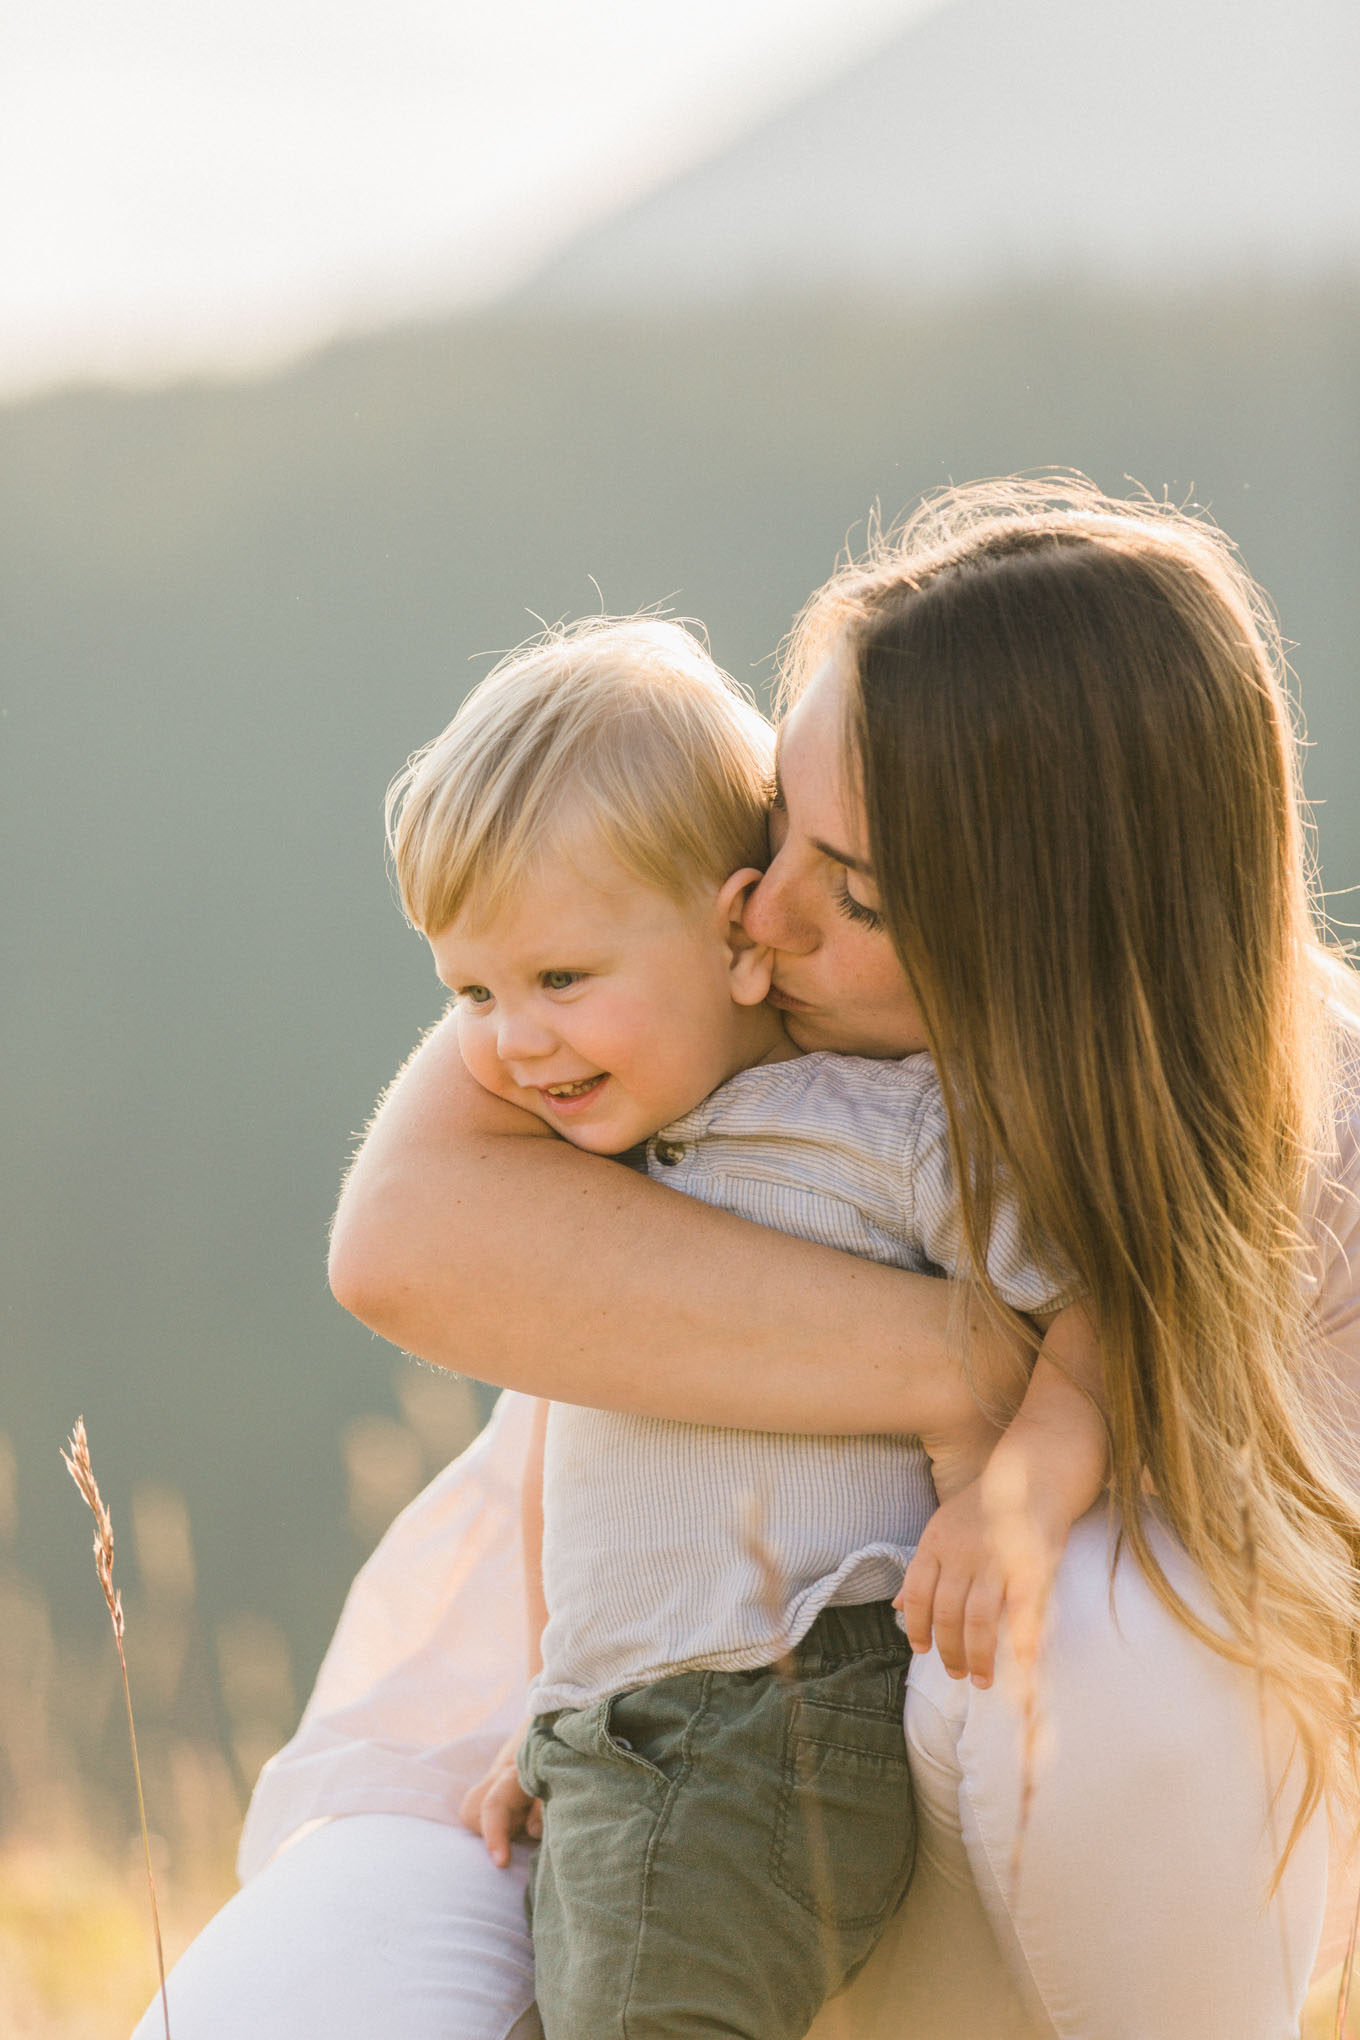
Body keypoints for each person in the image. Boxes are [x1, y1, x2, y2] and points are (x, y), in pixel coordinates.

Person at [135, 477, 1360, 2040]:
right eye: (780, 819)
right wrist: (964, 1361)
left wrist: (1059, 1421)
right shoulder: (735, 953)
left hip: (960, 1828)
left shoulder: (1309, 1124)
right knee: (289, 1994)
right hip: (592, 1711)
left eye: (850, 890)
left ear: (1049, 943)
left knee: (1113, 1641)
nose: (757, 911)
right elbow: (403, 1239)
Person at [378, 615, 1103, 2037]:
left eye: (562, 982)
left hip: (765, 1716)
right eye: (473, 993)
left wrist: (1022, 1487)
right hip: (634, 1730)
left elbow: (1106, 1302)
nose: (513, 1044)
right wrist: (557, 1705)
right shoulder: (613, 1173)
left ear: (734, 934)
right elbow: (593, 1478)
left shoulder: (881, 1128)